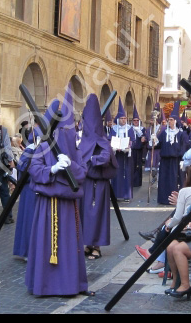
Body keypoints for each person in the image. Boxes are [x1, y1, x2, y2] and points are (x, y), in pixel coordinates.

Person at [25, 95, 91, 297]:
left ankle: (68, 284)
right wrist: (52, 169)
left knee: (68, 246)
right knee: (46, 246)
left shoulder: (75, 151)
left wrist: (70, 164)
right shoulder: (44, 147)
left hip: (68, 208)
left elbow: (82, 174)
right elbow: (34, 170)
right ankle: (45, 285)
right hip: (48, 205)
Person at [136, 164, 191, 275]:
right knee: (168, 226)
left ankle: (156, 257)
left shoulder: (185, 191)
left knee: (167, 228)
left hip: (185, 227)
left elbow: (179, 216)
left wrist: (169, 224)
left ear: (188, 177)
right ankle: (158, 260)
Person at [13, 102, 58, 260]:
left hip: (47, 188)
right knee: (30, 220)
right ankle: (28, 250)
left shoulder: (55, 145)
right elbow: (22, 166)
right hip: (31, 189)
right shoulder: (33, 146)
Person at [79, 93, 117, 261]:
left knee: (97, 213)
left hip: (98, 185)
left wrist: (90, 160)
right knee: (85, 213)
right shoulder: (83, 140)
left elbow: (105, 158)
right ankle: (87, 243)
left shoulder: (102, 140)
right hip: (85, 184)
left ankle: (97, 246)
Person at [156, 102, 190, 205]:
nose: (169, 121)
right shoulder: (163, 133)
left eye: (171, 120)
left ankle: (175, 200)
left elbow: (186, 145)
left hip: (176, 160)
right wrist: (153, 141)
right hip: (165, 161)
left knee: (175, 181)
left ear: (176, 121)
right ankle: (163, 199)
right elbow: (158, 145)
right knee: (163, 180)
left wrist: (181, 156)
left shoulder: (181, 134)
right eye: (169, 119)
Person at [109, 99, 134, 202]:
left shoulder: (130, 128)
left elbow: (133, 140)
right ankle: (115, 194)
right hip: (116, 155)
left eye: (125, 118)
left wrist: (129, 146)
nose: (124, 120)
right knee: (116, 173)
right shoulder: (114, 129)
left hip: (126, 156)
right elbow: (110, 139)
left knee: (126, 173)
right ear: (118, 119)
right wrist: (114, 147)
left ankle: (126, 195)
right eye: (122, 118)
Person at [130, 106, 146, 188]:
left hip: (139, 149)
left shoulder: (142, 129)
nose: (136, 122)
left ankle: (138, 182)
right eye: (134, 120)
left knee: (138, 166)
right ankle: (132, 181)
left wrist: (144, 139)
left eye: (137, 120)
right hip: (132, 149)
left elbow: (144, 138)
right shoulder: (130, 129)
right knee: (132, 165)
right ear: (132, 121)